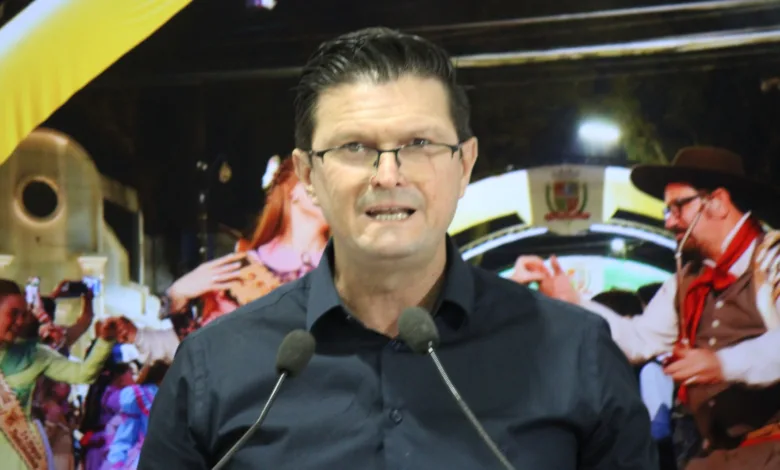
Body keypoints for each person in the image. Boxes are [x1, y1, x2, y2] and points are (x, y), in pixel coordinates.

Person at [138, 27, 657, 469]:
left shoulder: (575, 353)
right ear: (308, 176)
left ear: (464, 164)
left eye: (419, 144)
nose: (388, 175)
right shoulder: (214, 367)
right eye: (354, 147)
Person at [514, 147, 780, 469]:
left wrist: (721, 363)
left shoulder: (773, 259)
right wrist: (574, 301)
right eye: (668, 210)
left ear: (718, 202)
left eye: (679, 207)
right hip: (717, 456)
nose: (669, 221)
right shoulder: (685, 282)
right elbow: (639, 340)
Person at [163, 155, 329, 325]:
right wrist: (176, 295)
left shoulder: (341, 269)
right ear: (294, 189)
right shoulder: (244, 270)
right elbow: (210, 338)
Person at [0, 279, 116, 470]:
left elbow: (83, 374)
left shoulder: (35, 355)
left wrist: (105, 341)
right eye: (13, 314)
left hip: (21, 455)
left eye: (23, 314)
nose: (19, 321)